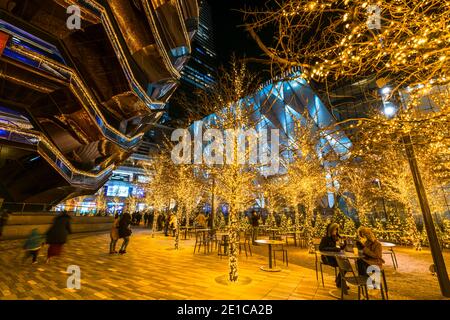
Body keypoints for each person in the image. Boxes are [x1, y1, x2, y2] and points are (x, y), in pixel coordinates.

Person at [319, 223, 348, 292]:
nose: (336, 231)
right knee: (344, 265)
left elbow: (340, 248)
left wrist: (345, 242)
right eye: (335, 230)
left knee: (346, 264)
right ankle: (340, 282)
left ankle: (339, 281)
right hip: (327, 258)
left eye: (337, 230)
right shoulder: (325, 238)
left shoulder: (335, 238)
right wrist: (334, 249)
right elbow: (321, 248)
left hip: (335, 257)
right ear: (331, 230)